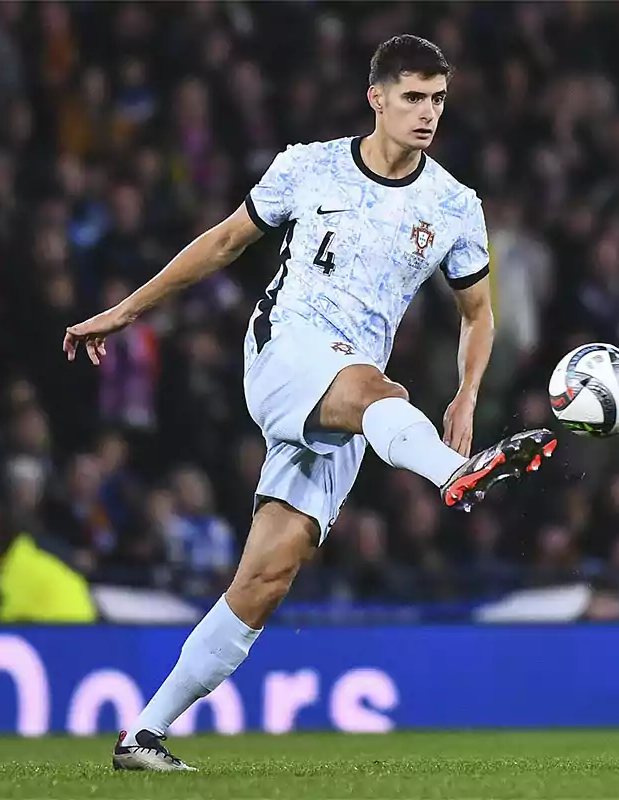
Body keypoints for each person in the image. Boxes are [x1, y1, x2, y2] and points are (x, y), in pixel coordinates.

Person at [62, 35, 557, 771]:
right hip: (285, 353)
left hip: (353, 406)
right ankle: (452, 475)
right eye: (414, 97)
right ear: (377, 98)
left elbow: (478, 313)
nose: (427, 114)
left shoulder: (454, 205)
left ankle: (143, 734)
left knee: (266, 576)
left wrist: (467, 394)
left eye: (439, 100)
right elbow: (227, 241)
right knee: (380, 391)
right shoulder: (308, 165)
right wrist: (126, 311)